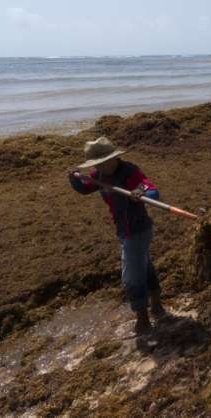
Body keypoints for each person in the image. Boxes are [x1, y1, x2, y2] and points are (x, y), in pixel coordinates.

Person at [68, 136, 165, 334]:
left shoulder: (130, 171)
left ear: (114, 158)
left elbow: (151, 189)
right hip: (123, 230)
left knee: (131, 276)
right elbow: (86, 188)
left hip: (138, 230)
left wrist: (140, 193)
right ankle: (157, 305)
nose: (103, 167)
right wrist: (74, 178)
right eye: (98, 164)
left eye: (106, 162)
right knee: (144, 266)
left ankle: (142, 317)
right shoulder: (100, 176)